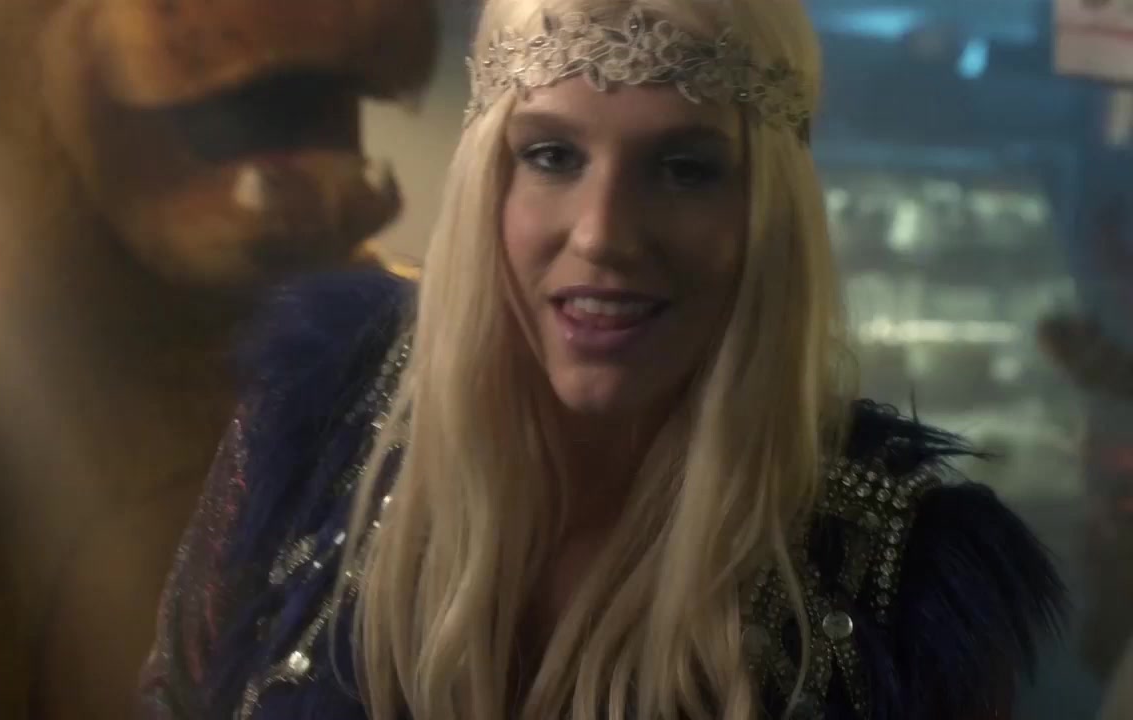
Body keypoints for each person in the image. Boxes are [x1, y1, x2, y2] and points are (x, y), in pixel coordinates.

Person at [139, 0, 1067, 718]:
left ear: (768, 212)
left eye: (685, 168)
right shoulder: (320, 414)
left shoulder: (901, 583)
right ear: (487, 179)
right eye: (552, 155)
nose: (603, 235)